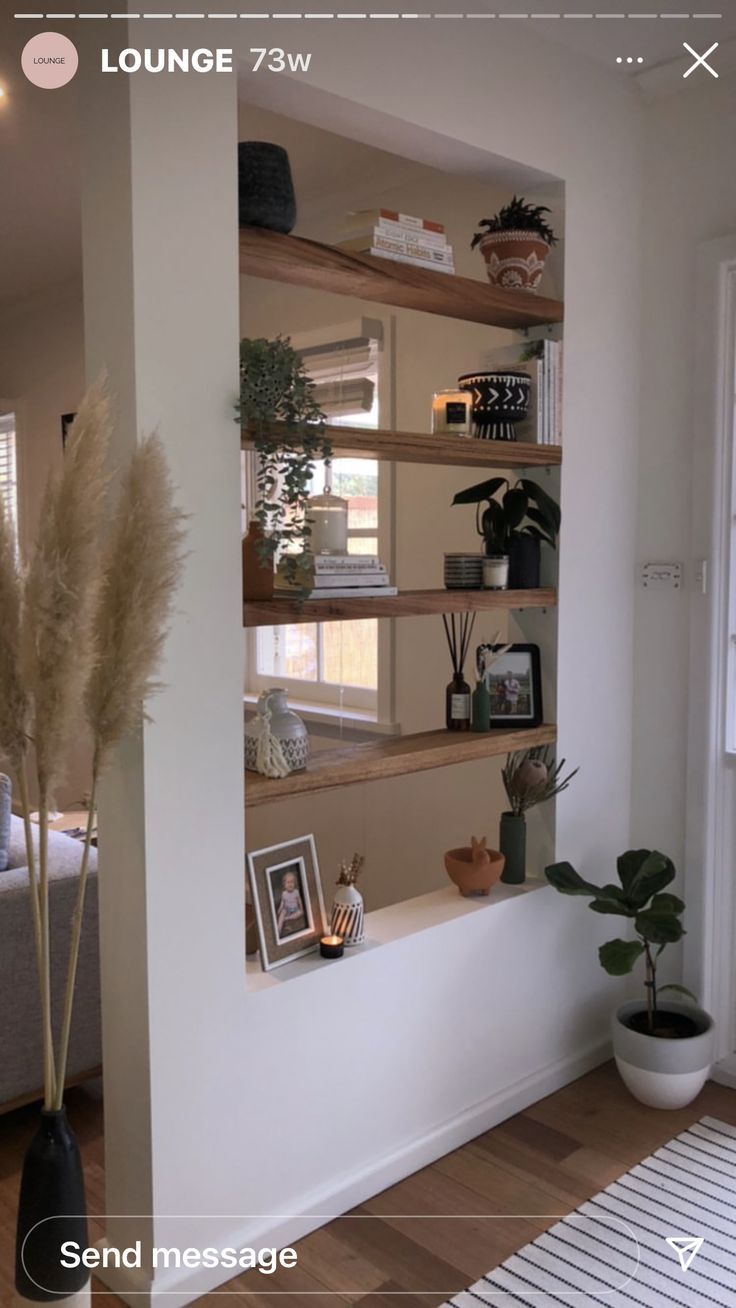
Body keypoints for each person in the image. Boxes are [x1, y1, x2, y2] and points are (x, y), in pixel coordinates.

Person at [276, 867, 306, 937]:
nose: (290, 884)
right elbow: (283, 902)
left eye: (292, 882)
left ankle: (287, 919)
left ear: (295, 883)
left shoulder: (296, 892)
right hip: (287, 909)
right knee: (282, 913)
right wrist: (280, 908)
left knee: (300, 912)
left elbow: (299, 900)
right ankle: (278, 929)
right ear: (284, 884)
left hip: (295, 908)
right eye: (288, 882)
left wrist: (301, 907)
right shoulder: (284, 893)